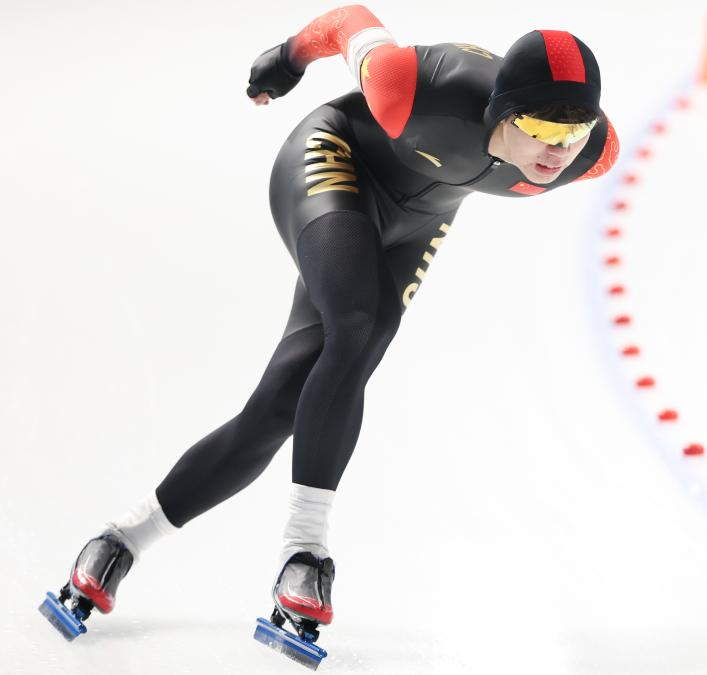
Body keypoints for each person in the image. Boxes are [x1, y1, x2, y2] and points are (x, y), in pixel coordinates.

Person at [45, 2, 619, 651]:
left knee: (279, 408)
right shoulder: (411, 86)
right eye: (540, 126)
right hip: (333, 159)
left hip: (416, 222)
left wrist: (571, 136)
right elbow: (350, 20)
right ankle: (305, 551)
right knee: (358, 323)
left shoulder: (592, 153)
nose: (556, 149)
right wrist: (289, 57)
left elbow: (573, 141)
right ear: (499, 112)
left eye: (574, 130)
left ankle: (120, 539)